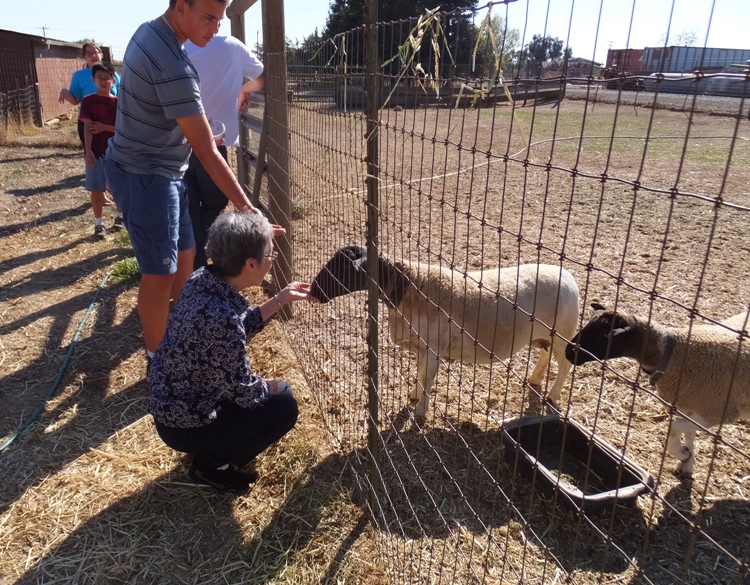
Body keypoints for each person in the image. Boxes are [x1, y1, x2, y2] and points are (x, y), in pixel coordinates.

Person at [104, 0, 278, 363]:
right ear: (181, 6)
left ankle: (186, 335)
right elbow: (208, 154)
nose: (216, 28)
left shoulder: (152, 32)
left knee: (186, 259)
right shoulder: (172, 64)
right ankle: (160, 362)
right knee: (159, 273)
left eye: (221, 18)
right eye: (210, 18)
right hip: (147, 175)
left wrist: (193, 136)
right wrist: (249, 210)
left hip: (164, 169)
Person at [148, 212, 310, 492]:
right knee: (284, 404)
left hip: (174, 404)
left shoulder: (203, 278)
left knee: (275, 394)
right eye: (271, 255)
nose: (273, 259)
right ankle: (212, 466)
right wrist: (272, 387)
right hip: (183, 423)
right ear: (250, 264)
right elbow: (245, 393)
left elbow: (241, 324)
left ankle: (212, 447)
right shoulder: (219, 319)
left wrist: (281, 298)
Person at [184, 34, 265, 269]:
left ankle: (193, 263)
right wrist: (243, 89)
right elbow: (262, 78)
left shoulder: (177, 43)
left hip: (179, 142)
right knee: (217, 199)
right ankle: (200, 257)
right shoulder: (231, 45)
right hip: (213, 143)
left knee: (188, 208)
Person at [79, 62, 123, 238]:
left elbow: (123, 129)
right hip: (95, 151)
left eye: (107, 78)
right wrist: (87, 150)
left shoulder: (119, 103)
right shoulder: (88, 100)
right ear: (93, 80)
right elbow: (87, 127)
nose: (104, 81)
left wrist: (104, 127)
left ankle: (119, 217)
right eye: (100, 78)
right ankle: (99, 224)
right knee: (96, 188)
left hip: (116, 151)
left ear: (113, 80)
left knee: (118, 186)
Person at [58, 42, 121, 148]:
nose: (93, 56)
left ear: (101, 55)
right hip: (88, 121)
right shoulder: (78, 76)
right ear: (84, 57)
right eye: (89, 53)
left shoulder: (113, 74)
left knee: (113, 153)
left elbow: (121, 96)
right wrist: (67, 94)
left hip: (111, 120)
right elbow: (76, 101)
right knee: (93, 154)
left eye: (95, 52)